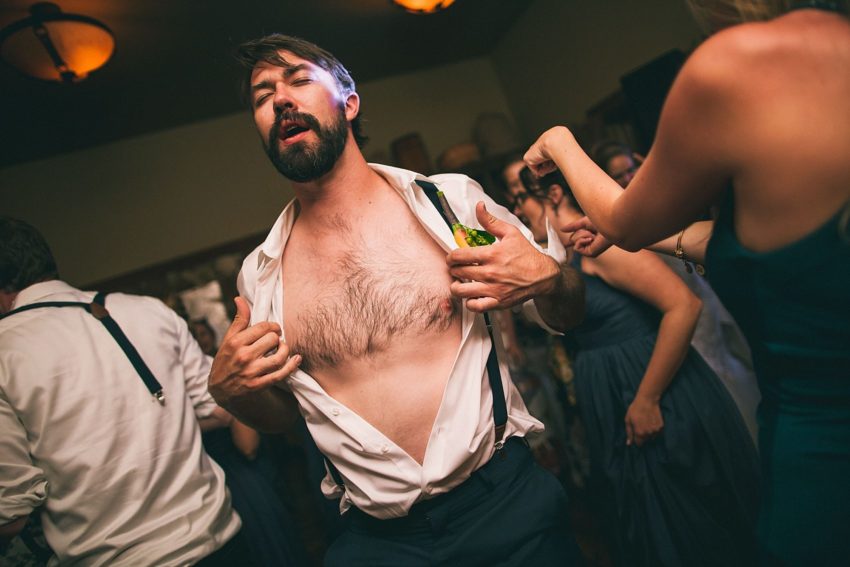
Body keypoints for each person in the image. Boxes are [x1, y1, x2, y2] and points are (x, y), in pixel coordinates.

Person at [208, 34, 587, 566]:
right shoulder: (263, 274)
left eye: (299, 80)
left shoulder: (449, 209)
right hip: (378, 543)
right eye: (262, 96)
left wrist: (549, 279)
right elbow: (284, 414)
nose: (281, 101)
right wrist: (233, 394)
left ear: (349, 102)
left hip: (504, 504)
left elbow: (567, 315)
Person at [523, 2, 850, 564]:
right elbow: (749, 244)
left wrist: (558, 142)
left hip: (824, 435)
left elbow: (624, 222)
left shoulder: (733, 63)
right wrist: (647, 237)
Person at [516, 167, 760, 566]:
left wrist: (647, 399)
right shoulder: (570, 252)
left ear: (554, 193)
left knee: (687, 523)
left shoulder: (607, 249)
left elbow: (684, 306)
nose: (516, 209)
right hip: (612, 391)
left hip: (649, 386)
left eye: (520, 198)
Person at [0, 217, 245, 565]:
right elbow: (220, 409)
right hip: (218, 543)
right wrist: (155, 426)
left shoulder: (5, 349)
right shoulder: (148, 310)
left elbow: (10, 514)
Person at [590, 139, 760, 440]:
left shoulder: (661, 202)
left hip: (700, 294)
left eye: (631, 169)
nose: (628, 178)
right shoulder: (618, 222)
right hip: (671, 309)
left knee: (732, 362)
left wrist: (651, 176)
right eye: (619, 175)